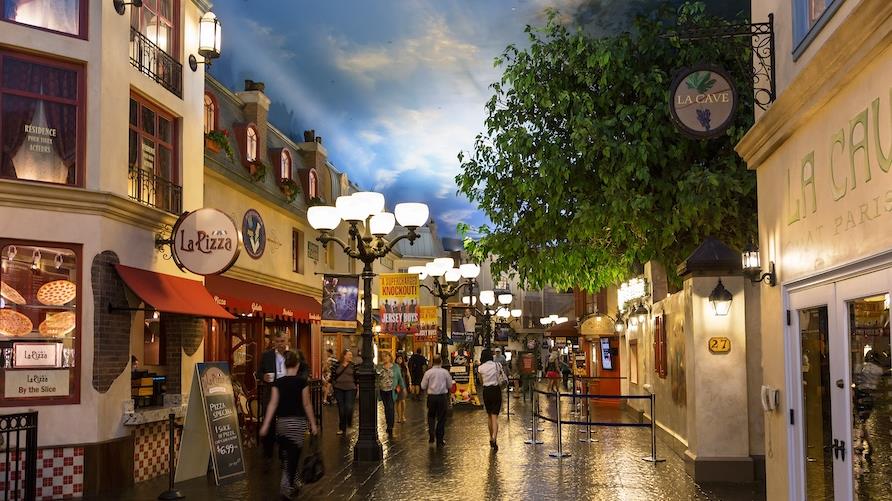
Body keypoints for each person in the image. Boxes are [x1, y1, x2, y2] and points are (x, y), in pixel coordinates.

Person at [259, 350, 318, 499]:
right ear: (297, 365)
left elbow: (272, 404)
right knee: (294, 455)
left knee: (288, 455)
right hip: (297, 423)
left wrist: (265, 425)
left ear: (284, 366)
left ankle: (294, 482)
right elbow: (306, 404)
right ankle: (286, 486)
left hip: (282, 423)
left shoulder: (278, 383)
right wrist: (313, 423)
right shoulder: (301, 382)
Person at [256, 332, 288, 461]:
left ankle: (284, 450)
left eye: (282, 341)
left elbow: (303, 370)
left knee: (285, 422)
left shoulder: (292, 355)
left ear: (287, 341)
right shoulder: (266, 356)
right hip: (271, 392)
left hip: (287, 393)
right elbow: (259, 372)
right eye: (278, 341)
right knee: (269, 422)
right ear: (274, 342)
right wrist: (263, 376)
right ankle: (268, 452)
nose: (280, 344)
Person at [477, 349, 508, 450]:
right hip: (496, 390)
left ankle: (490, 437)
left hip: (486, 391)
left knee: (489, 415)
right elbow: (501, 376)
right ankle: (494, 437)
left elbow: (481, 382)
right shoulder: (497, 365)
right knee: (495, 416)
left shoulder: (480, 368)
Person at [420, 355, 453, 447]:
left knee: (431, 416)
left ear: (432, 362)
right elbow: (450, 385)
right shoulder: (445, 372)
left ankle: (431, 433)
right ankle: (440, 439)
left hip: (431, 397)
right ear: (441, 362)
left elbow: (423, 386)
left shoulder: (428, 373)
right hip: (442, 397)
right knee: (441, 418)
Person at [376, 352, 405, 435]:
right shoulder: (379, 366)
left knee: (391, 407)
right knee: (386, 408)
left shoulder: (395, 367)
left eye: (385, 356)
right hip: (382, 390)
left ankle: (390, 426)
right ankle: (388, 423)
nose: (384, 358)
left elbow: (399, 377)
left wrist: (401, 387)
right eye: (383, 357)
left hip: (391, 390)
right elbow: (377, 376)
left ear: (389, 357)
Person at [332, 349, 357, 435]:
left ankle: (349, 425)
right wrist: (334, 385)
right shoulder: (336, 365)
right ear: (344, 356)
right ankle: (342, 428)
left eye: (351, 355)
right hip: (339, 388)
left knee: (349, 408)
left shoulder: (353, 365)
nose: (351, 356)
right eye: (349, 355)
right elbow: (333, 376)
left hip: (350, 388)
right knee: (341, 409)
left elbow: (356, 377)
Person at [395, 353, 410, 423]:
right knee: (398, 401)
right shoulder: (394, 367)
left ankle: (402, 415)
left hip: (403, 385)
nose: (399, 360)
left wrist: (409, 384)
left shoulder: (404, 367)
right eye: (398, 359)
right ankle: (398, 417)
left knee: (403, 400)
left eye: (400, 359)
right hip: (396, 386)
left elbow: (408, 376)